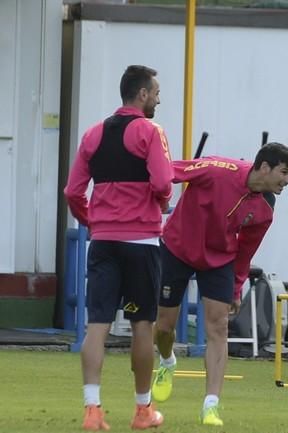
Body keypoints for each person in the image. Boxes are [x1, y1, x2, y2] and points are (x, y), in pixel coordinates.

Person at [151, 143, 288, 427]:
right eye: (284, 172)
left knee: (218, 328)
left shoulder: (266, 207)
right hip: (177, 248)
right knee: (163, 327)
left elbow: (246, 251)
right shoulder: (217, 169)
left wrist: (235, 287)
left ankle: (211, 406)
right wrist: (155, 197)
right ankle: (168, 361)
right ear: (265, 167)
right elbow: (167, 172)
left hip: (220, 260)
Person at [64, 65, 173, 431]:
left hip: (104, 241)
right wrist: (158, 202)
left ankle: (92, 410)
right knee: (143, 324)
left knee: (97, 325)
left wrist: (93, 221)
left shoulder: (93, 134)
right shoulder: (150, 131)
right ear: (142, 95)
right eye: (155, 92)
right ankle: (143, 411)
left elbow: (73, 192)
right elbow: (163, 181)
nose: (158, 97)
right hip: (141, 240)